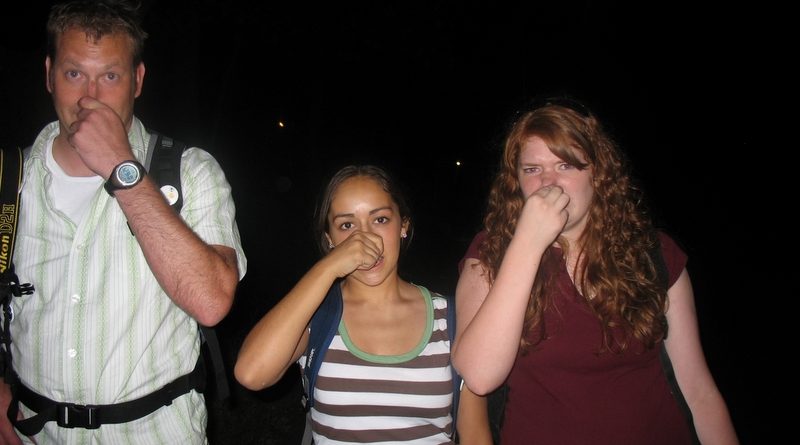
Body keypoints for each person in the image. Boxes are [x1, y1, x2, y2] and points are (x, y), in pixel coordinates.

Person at [0, 0, 246, 443]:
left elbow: (211, 301)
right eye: (74, 73)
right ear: (49, 75)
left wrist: (120, 166)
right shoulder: (7, 181)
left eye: (110, 76)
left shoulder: (190, 172)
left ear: (137, 80)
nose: (90, 96)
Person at [450, 96, 739, 444]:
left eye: (566, 165)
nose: (549, 183)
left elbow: (698, 391)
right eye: (532, 169)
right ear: (516, 181)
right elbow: (479, 376)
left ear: (597, 173)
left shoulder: (653, 252)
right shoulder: (491, 253)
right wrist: (527, 242)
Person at [234, 164, 490, 444]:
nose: (364, 239)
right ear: (330, 240)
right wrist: (327, 268)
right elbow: (251, 373)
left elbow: (475, 435)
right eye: (347, 225)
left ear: (403, 225)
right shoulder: (317, 315)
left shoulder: (451, 317)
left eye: (380, 219)